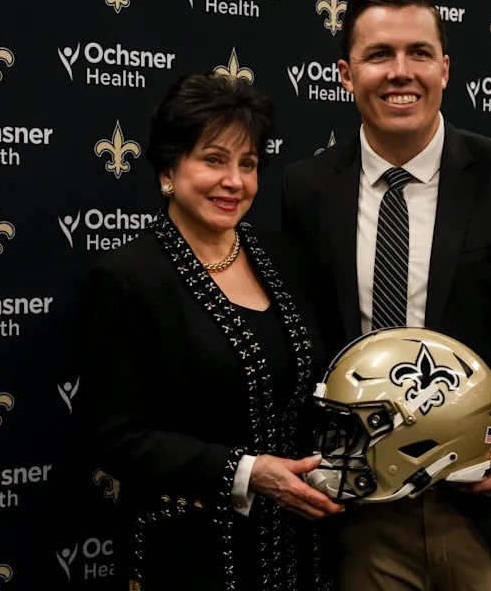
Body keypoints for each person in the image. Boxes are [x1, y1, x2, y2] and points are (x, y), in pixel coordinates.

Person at [282, 0, 491, 590]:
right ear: (346, 74)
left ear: (446, 68)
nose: (401, 73)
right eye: (379, 55)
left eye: (419, 53)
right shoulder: (306, 189)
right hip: (366, 523)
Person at [77, 73, 342, 591]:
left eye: (248, 164)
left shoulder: (285, 258)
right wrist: (247, 472)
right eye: (214, 159)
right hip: (193, 552)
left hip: (304, 548)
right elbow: (116, 436)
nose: (235, 181)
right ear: (167, 169)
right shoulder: (127, 278)